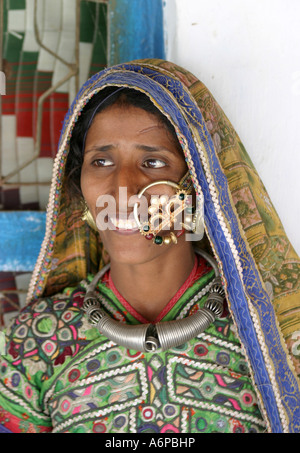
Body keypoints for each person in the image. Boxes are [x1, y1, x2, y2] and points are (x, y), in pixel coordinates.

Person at [0, 59, 299, 433]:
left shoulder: (277, 332)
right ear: (80, 184)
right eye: (101, 161)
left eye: (153, 162)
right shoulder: (35, 340)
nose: (122, 189)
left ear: (198, 181)